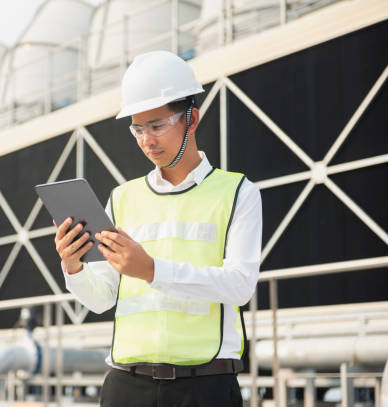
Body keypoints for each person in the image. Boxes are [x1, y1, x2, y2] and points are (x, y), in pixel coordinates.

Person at [53, 50, 262, 407]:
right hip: (126, 386)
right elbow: (102, 298)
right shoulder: (122, 198)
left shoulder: (238, 192)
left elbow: (240, 286)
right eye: (137, 129)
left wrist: (151, 270)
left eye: (157, 126)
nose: (147, 140)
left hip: (205, 387)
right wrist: (72, 267)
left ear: (192, 119)